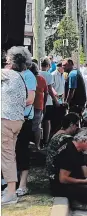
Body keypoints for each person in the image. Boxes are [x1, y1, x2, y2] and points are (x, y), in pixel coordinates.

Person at [1, 46, 31, 205]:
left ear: (11, 61)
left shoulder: (5, 74)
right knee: (9, 156)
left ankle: (11, 192)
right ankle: (10, 189)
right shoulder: (20, 77)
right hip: (17, 121)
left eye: (7, 58)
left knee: (6, 157)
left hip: (5, 119)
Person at [50, 127, 87, 203]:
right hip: (61, 186)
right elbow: (63, 179)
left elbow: (86, 173)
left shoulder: (78, 150)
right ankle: (80, 202)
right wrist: (85, 181)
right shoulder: (69, 152)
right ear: (84, 140)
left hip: (71, 181)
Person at [15, 59, 37, 199]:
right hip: (11, 118)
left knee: (22, 151)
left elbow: (30, 99)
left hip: (24, 118)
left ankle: (23, 185)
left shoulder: (28, 75)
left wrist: (11, 105)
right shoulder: (12, 74)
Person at [46, 113, 81, 180]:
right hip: (58, 174)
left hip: (51, 172)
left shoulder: (57, 133)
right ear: (71, 124)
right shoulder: (66, 138)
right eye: (76, 125)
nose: (77, 128)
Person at [40, 58, 59, 148]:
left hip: (39, 101)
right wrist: (56, 101)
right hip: (47, 101)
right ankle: (46, 140)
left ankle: (39, 139)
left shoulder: (37, 74)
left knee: (39, 121)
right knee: (47, 121)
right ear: (48, 65)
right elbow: (50, 90)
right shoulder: (48, 75)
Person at [31, 63, 48, 149]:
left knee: (27, 126)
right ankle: (37, 145)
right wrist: (44, 105)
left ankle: (28, 144)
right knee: (37, 126)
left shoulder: (29, 79)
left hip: (29, 106)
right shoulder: (42, 79)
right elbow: (46, 93)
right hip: (39, 106)